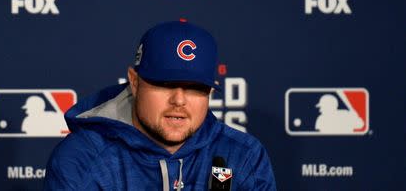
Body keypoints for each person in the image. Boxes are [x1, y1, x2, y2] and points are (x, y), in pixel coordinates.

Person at [44, 20, 276, 190]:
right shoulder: (82, 159)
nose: (179, 100)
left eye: (196, 88)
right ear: (134, 82)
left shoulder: (242, 155)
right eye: (164, 84)